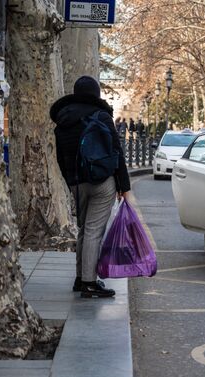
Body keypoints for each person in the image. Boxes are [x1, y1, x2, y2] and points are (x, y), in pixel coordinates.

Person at [50, 76, 130, 298]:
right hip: (102, 182)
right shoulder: (101, 116)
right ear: (96, 94)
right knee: (94, 231)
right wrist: (125, 187)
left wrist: (71, 182)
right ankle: (89, 283)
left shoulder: (63, 122)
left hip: (76, 184)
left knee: (84, 230)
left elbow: (60, 158)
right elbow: (117, 152)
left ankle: (80, 278)